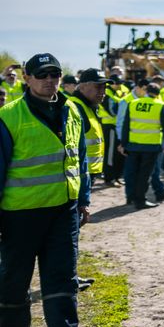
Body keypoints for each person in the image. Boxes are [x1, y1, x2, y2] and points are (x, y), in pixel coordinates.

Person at [0, 53, 100, 327]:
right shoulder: (8, 116)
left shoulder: (71, 111)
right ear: (27, 79)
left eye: (54, 74)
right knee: (15, 278)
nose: (49, 80)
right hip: (20, 214)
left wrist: (83, 200)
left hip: (63, 211)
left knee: (62, 277)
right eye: (42, 75)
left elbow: (79, 158)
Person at [64, 68, 109, 294]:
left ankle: (70, 276)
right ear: (83, 86)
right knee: (71, 231)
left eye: (105, 86)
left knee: (74, 231)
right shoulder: (77, 108)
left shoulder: (87, 107)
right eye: (98, 86)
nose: (103, 91)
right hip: (76, 177)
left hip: (84, 175)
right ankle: (67, 278)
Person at [119, 83, 164, 210]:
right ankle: (140, 200)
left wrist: (123, 144)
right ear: (158, 94)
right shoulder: (159, 105)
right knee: (144, 175)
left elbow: (126, 125)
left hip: (133, 145)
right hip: (151, 147)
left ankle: (130, 197)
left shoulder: (133, 103)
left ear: (146, 91)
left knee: (131, 172)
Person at [100, 67, 129, 185]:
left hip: (116, 126)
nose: (119, 86)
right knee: (110, 154)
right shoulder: (106, 93)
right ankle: (109, 178)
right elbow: (113, 111)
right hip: (109, 126)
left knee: (117, 153)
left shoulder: (117, 92)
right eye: (117, 84)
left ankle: (116, 176)